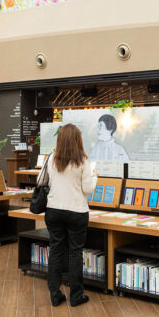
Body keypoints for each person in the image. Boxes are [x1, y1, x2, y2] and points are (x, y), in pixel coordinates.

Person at [41, 123, 97, 307]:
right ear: (77, 140)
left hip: (54, 209)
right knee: (75, 252)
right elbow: (87, 189)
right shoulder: (82, 160)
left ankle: (55, 294)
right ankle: (76, 296)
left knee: (56, 250)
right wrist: (95, 177)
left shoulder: (52, 158)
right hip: (76, 211)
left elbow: (42, 181)